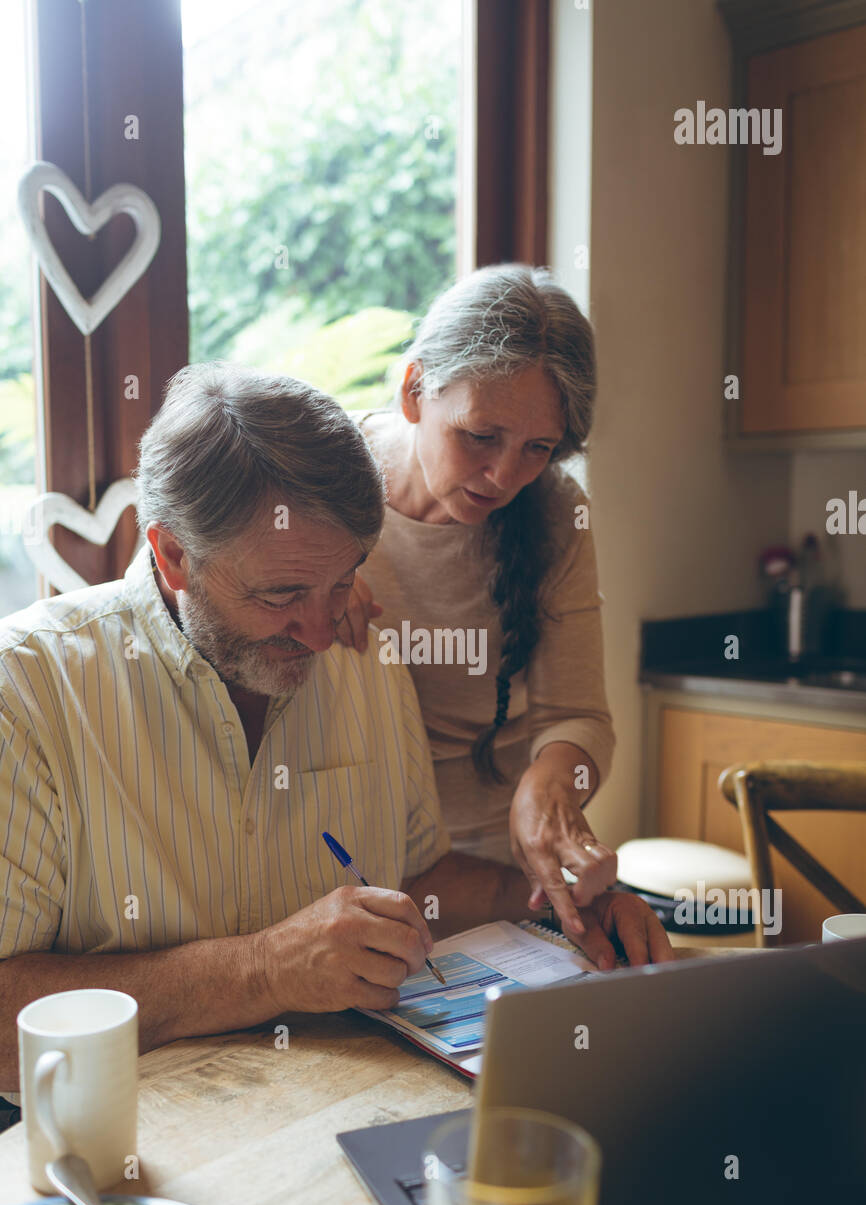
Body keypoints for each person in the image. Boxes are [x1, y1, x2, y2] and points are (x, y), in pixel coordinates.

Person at [0, 364, 673, 1105]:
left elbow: (422, 884)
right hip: (122, 1150)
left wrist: (564, 906)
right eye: (283, 593)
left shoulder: (367, 658)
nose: (323, 632)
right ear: (174, 557)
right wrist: (262, 969)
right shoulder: (29, 690)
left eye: (343, 580)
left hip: (337, 1111)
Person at [339, 263, 617, 937]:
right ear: (414, 392)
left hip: (501, 890)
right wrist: (307, 593)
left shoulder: (554, 517)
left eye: (537, 449)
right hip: (351, 877)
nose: (503, 475)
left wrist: (550, 785)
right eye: (480, 436)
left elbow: (579, 716)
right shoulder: (324, 483)